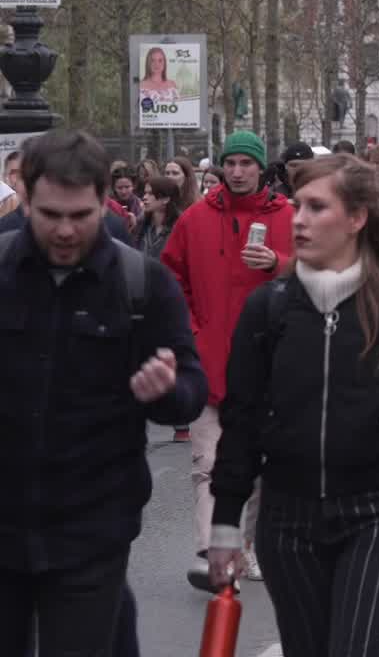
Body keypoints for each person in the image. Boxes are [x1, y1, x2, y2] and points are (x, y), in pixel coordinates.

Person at [204, 155, 379, 657]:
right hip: (287, 522)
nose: (298, 219)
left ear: (356, 218)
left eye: (316, 207)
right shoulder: (270, 308)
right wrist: (224, 527)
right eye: (297, 205)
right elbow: (240, 421)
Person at [0, 131, 206, 656]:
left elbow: (191, 390)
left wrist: (164, 391)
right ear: (24, 196)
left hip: (93, 529)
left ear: (104, 202)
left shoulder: (142, 284)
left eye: (80, 215)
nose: (65, 230)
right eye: (50, 214)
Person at [161, 129, 292, 591]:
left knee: (255, 468)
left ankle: (244, 545)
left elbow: (317, 271)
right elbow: (169, 277)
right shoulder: (195, 219)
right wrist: (189, 331)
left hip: (266, 365)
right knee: (208, 464)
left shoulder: (288, 217)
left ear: (261, 168)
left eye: (246, 164)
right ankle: (207, 553)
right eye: (230, 163)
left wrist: (277, 262)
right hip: (208, 361)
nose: (237, 172)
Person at [135, 175, 185, 260]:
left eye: (150, 194)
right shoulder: (141, 223)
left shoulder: (180, 226)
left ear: (166, 199)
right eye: (145, 193)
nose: (144, 197)